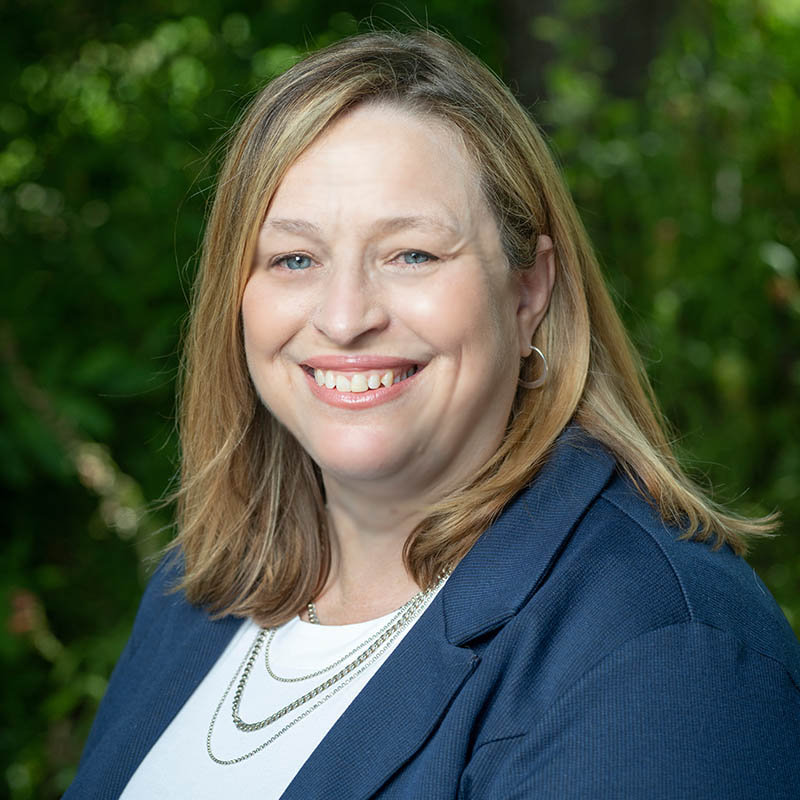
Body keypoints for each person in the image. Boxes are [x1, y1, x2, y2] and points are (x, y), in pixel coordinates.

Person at [66, 29, 800, 799]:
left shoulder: (661, 651)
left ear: (528, 294)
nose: (345, 317)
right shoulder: (201, 586)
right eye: (294, 259)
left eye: (411, 254)